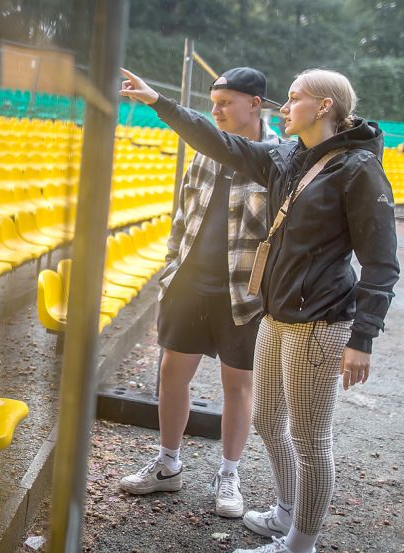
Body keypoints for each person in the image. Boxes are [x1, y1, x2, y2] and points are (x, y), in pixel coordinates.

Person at [119, 67, 399, 553]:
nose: (283, 107)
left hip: (323, 320)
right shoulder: (288, 157)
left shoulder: (357, 168)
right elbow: (220, 143)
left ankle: (299, 544)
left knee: (310, 441)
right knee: (270, 422)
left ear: (325, 106)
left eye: (293, 98)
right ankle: (287, 515)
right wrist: (158, 102)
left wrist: (362, 339)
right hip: (274, 313)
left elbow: (381, 263)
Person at [119, 67, 280, 521]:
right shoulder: (204, 154)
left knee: (237, 384)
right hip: (190, 283)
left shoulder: (277, 157)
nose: (215, 111)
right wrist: (173, 268)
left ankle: (229, 474)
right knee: (173, 372)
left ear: (255, 103)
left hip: (243, 291)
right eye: (212, 103)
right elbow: (182, 214)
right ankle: (168, 464)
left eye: (225, 102)